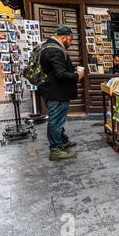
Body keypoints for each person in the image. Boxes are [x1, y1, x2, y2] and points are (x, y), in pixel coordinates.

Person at [38, 26, 84, 161]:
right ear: (63, 38)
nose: (72, 42)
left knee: (58, 119)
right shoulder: (55, 50)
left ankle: (62, 141)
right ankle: (55, 149)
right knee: (56, 120)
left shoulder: (47, 45)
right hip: (56, 93)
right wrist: (77, 75)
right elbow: (61, 74)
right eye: (70, 39)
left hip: (50, 91)